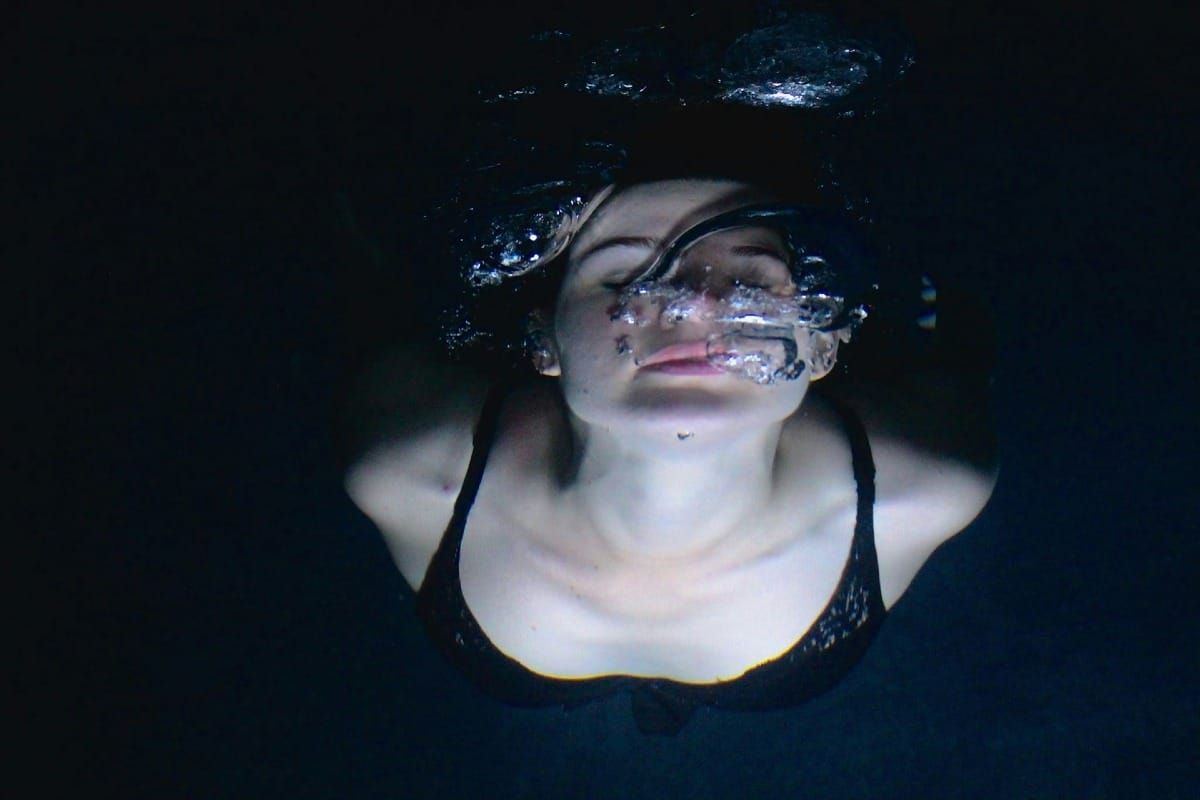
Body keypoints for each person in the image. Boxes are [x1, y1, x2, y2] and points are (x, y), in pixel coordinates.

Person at [341, 174, 998, 734]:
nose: (693, 309)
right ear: (545, 339)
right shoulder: (401, 471)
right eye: (626, 275)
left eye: (749, 278)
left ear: (824, 343)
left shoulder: (931, 485)